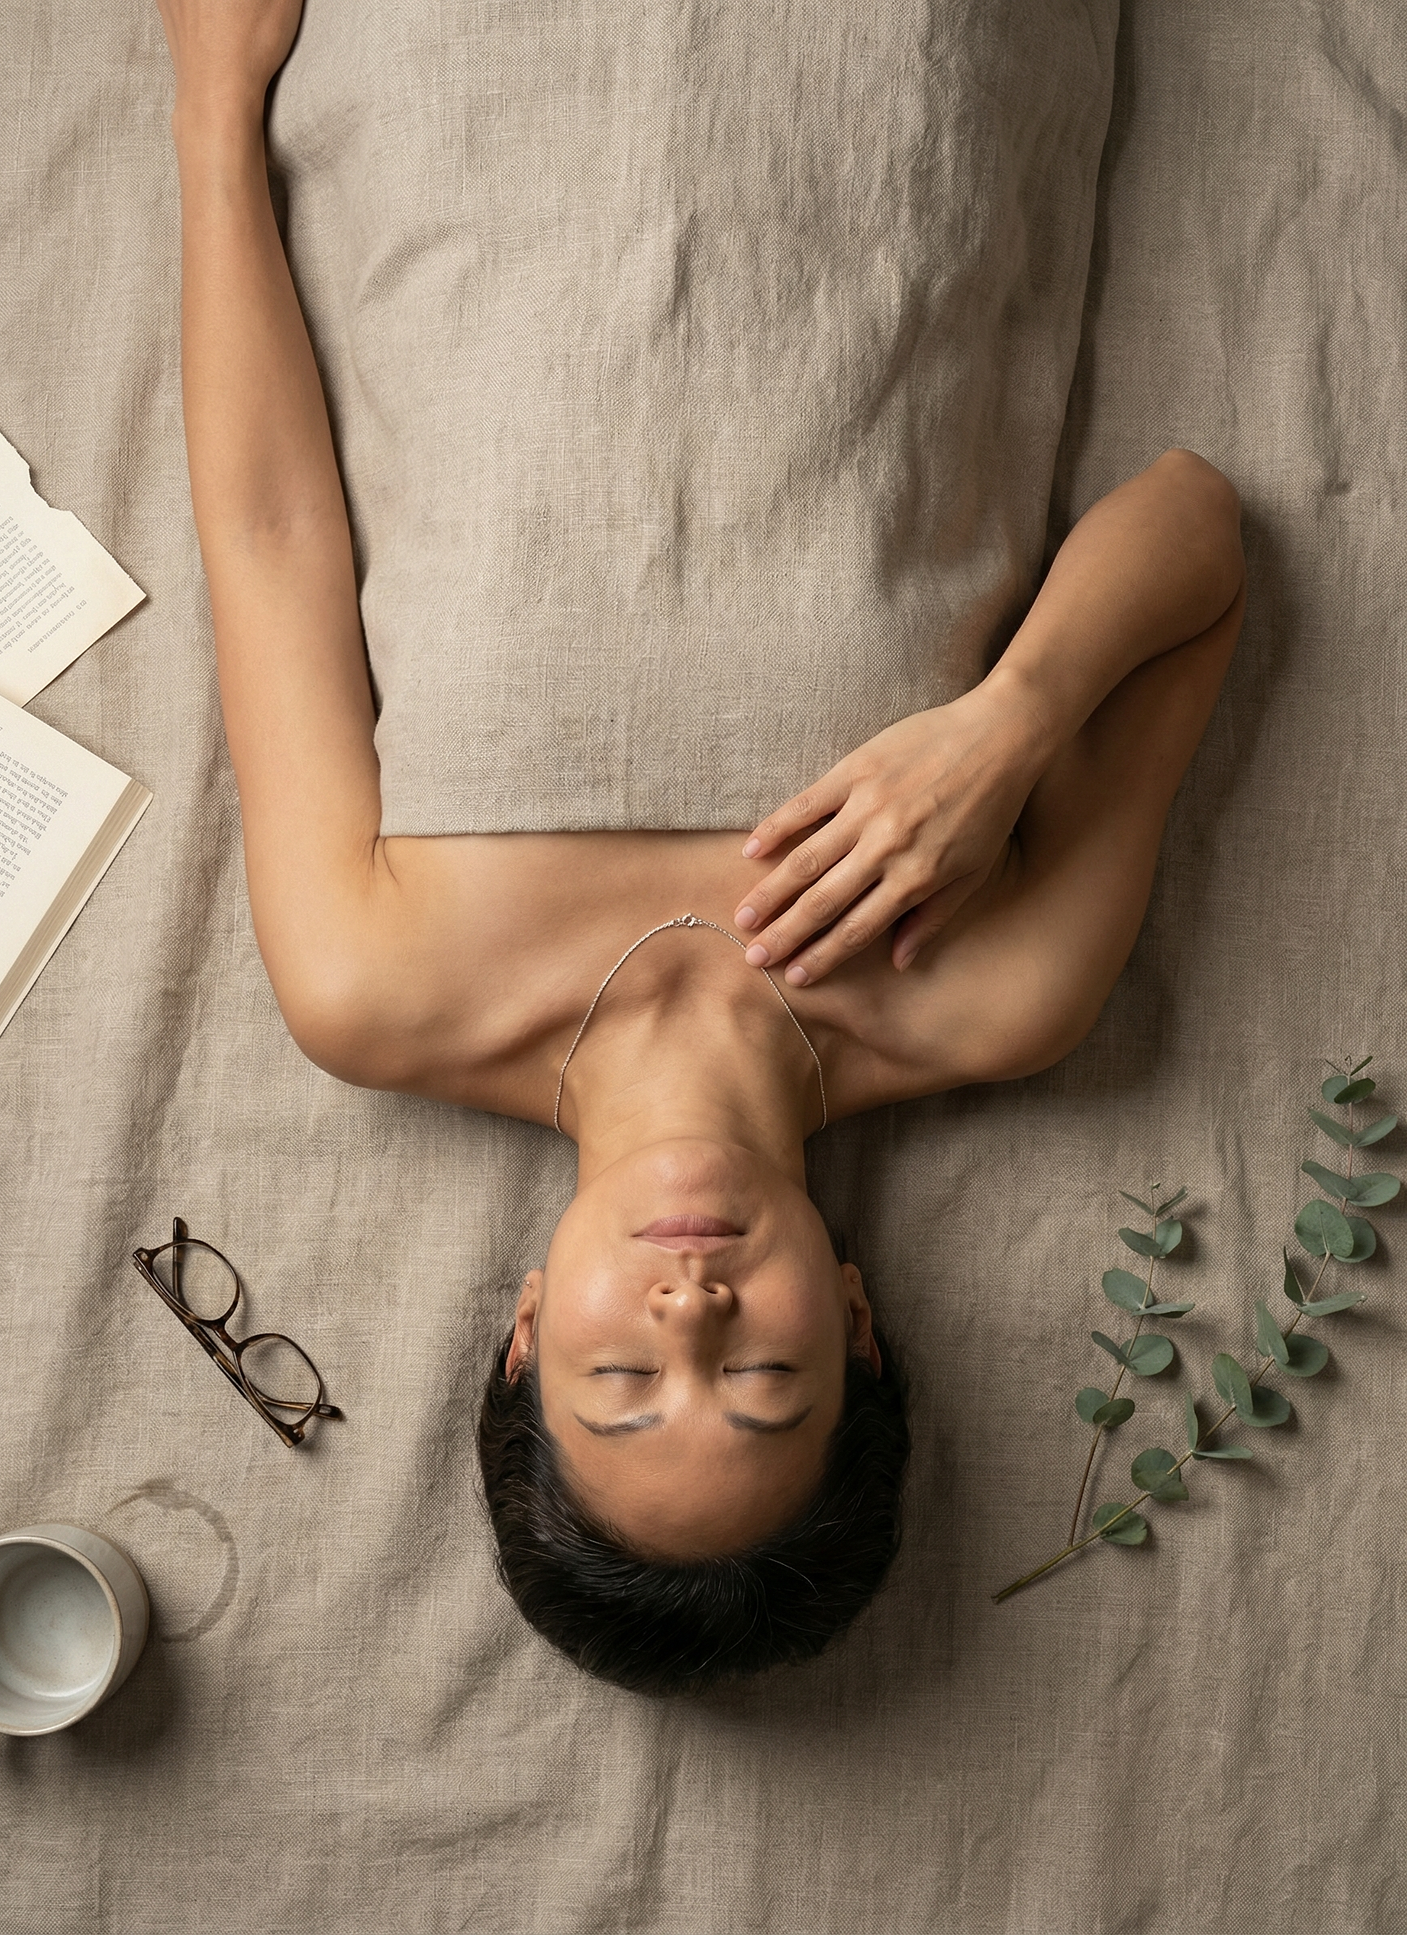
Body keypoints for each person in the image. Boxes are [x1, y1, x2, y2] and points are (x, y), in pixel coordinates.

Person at [155, 0, 1246, 1692]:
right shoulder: (995, 992)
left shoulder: (374, 988)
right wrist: (1012, 720)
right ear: (858, 1330)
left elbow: (270, 525)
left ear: (524, 1336)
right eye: (762, 1384)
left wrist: (213, 108)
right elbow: (1200, 530)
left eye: (622, 1386)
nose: (693, 1318)